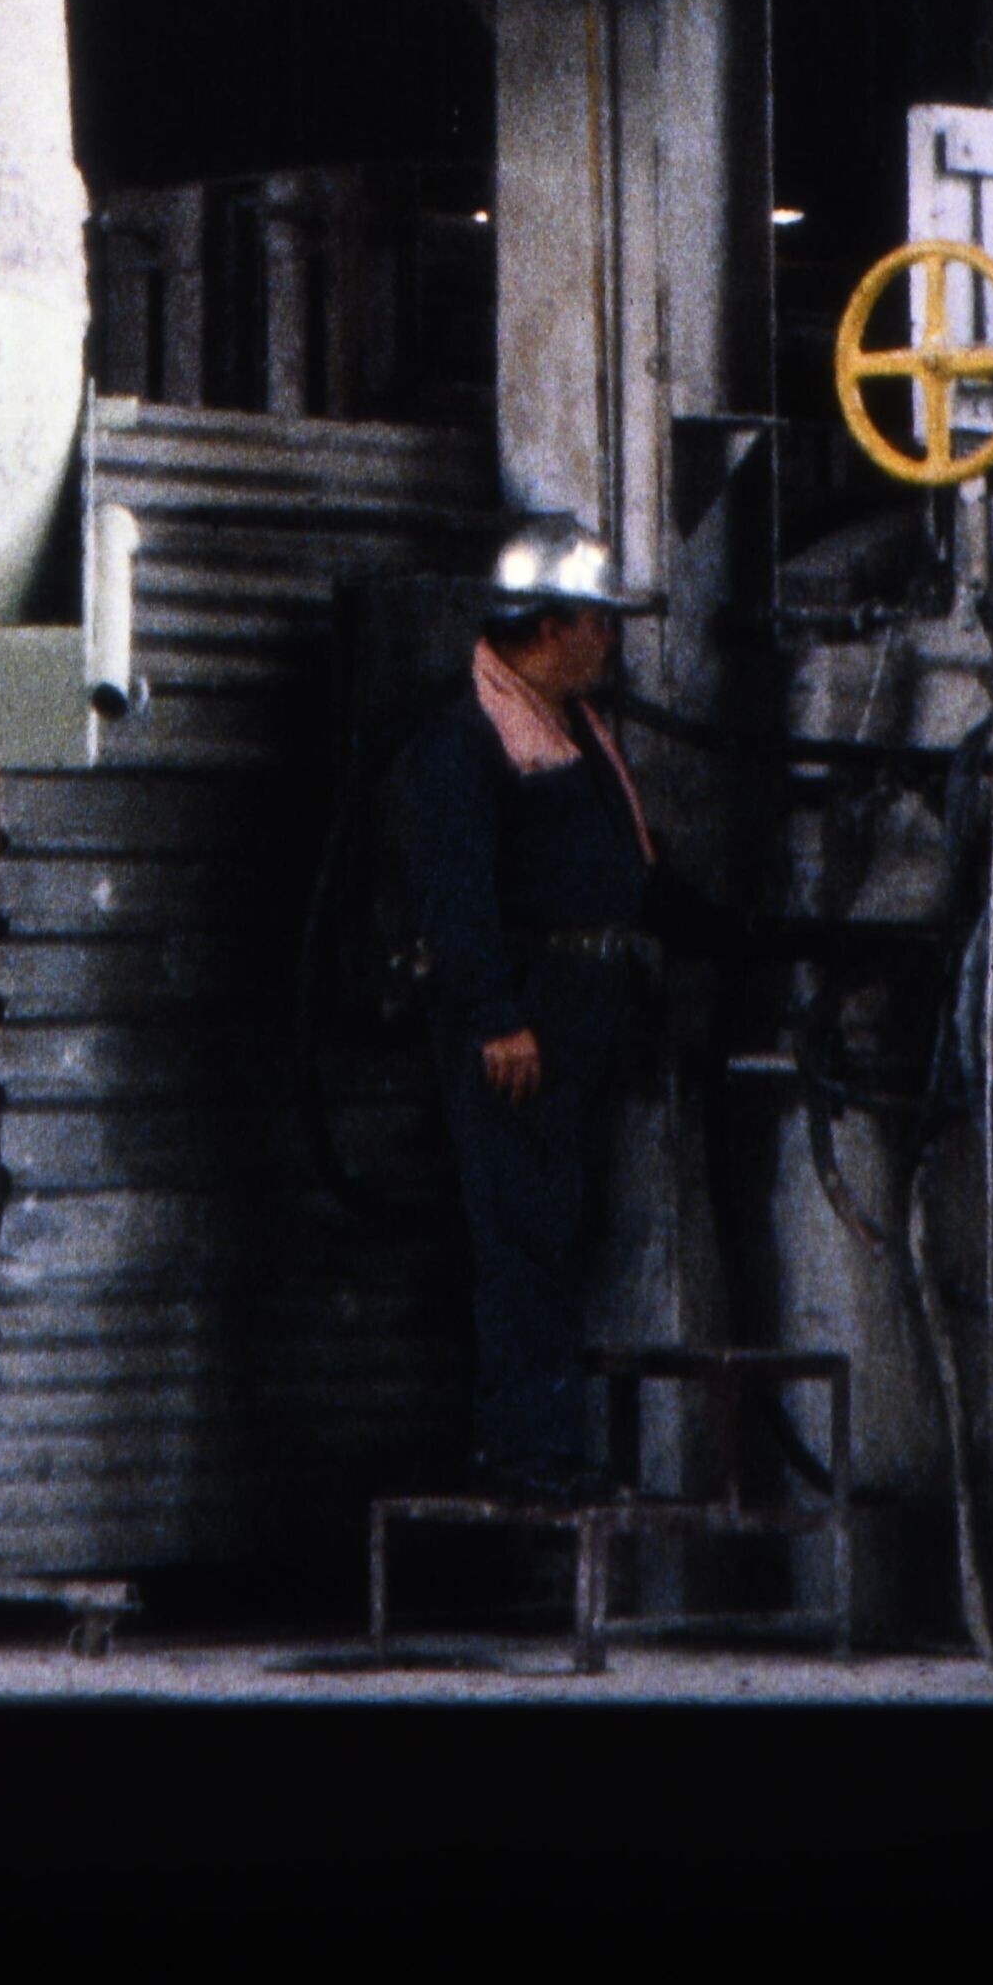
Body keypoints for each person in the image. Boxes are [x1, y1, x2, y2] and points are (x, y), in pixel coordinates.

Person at [396, 520, 662, 1509]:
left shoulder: (572, 725)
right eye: (599, 620)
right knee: (521, 1234)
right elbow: (454, 891)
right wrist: (494, 1014)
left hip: (583, 1014)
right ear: (549, 625)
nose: (610, 638)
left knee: (564, 1229)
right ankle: (523, 1447)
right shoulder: (466, 738)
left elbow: (629, 866)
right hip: (523, 1021)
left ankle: (546, 1440)